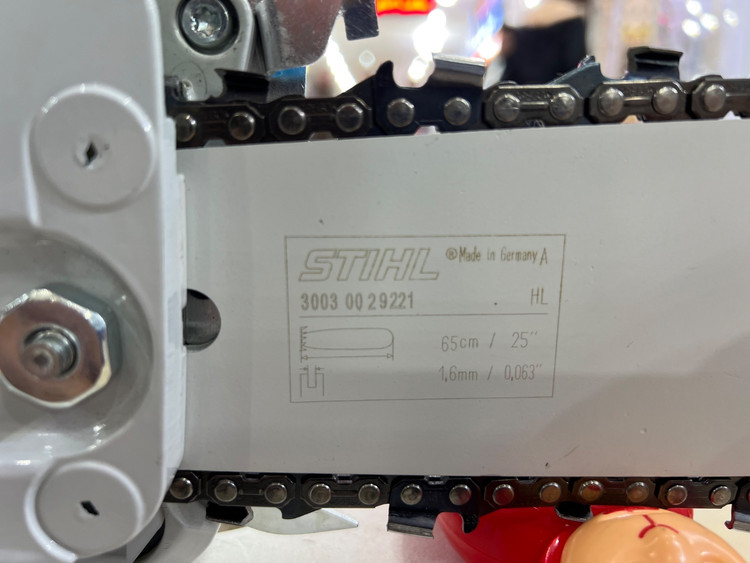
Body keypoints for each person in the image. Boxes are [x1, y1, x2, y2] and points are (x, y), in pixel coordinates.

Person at [500, 0, 588, 84]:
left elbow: (511, 74)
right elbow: (576, 67)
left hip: (524, 89)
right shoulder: (572, 20)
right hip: (560, 89)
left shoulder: (526, 21)